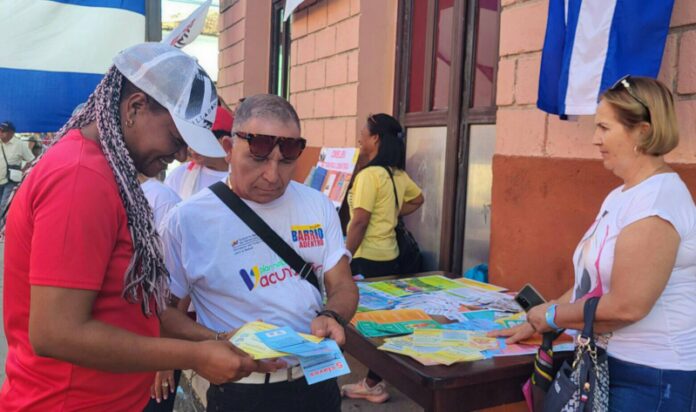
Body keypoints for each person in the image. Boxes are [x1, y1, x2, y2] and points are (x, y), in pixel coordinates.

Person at [0, 43, 281, 411]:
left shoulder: (107, 171)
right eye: (177, 139)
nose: (181, 155)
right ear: (135, 107)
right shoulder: (80, 178)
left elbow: (135, 303)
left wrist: (212, 339)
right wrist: (194, 357)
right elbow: (56, 332)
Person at [490, 76, 696, 411]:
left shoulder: (657, 200)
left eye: (603, 128)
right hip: (611, 365)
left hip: (650, 377)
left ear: (642, 131)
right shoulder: (622, 194)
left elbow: (628, 306)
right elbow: (591, 285)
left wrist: (554, 316)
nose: (594, 139)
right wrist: (536, 321)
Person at [159, 94, 359, 412]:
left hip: (316, 382)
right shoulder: (187, 220)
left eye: (286, 162)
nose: (273, 176)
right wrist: (218, 340)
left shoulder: (317, 205)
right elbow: (166, 314)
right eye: (258, 159)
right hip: (241, 392)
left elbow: (343, 285)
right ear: (227, 150)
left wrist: (332, 315)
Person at [340, 113, 424, 403]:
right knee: (382, 322)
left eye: (363, 131)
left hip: (365, 260)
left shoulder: (368, 176)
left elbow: (359, 221)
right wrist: (389, 213)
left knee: (365, 327)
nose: (359, 136)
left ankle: (373, 383)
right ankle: (374, 380)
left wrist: (344, 256)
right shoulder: (396, 174)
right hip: (390, 257)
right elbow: (418, 199)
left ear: (375, 138)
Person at [164, 105, 232, 199]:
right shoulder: (179, 176)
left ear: (224, 142)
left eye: (199, 139)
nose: (191, 147)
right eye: (190, 138)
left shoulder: (247, 177)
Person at [0, 120, 34, 212]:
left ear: (11, 133)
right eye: (0, 130)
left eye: (3, 131)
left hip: (10, 181)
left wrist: (23, 171)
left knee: (4, 206)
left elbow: (32, 160)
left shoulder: (20, 144)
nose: (1, 133)